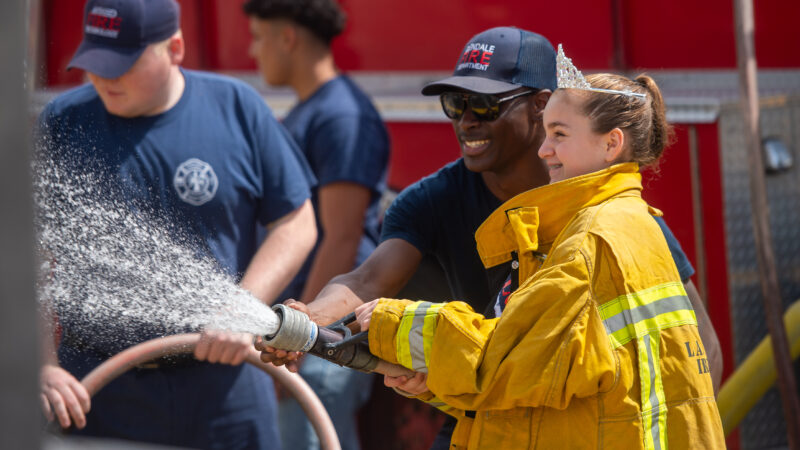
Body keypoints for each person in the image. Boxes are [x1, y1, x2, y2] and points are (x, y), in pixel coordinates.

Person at [258, 26, 722, 447]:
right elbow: (368, 279)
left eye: (484, 104)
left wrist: (396, 328)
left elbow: (699, 352)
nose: (466, 121)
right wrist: (308, 319)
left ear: (541, 106)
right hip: (485, 400)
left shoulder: (597, 224)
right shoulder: (434, 200)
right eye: (455, 104)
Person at [37, 0, 317, 448]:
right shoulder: (62, 124)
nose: (105, 77)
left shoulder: (237, 108)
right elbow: (29, 255)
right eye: (95, 62)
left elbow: (297, 221)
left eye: (123, 62)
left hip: (226, 392)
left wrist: (241, 308)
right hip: (98, 394)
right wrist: (41, 364)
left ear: (176, 48)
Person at [243, 1, 389, 449]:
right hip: (306, 331)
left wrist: (305, 335)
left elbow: (342, 237)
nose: (253, 51)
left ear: (288, 38)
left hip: (324, 339)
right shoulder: (315, 111)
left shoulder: (342, 117)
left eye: (260, 37)